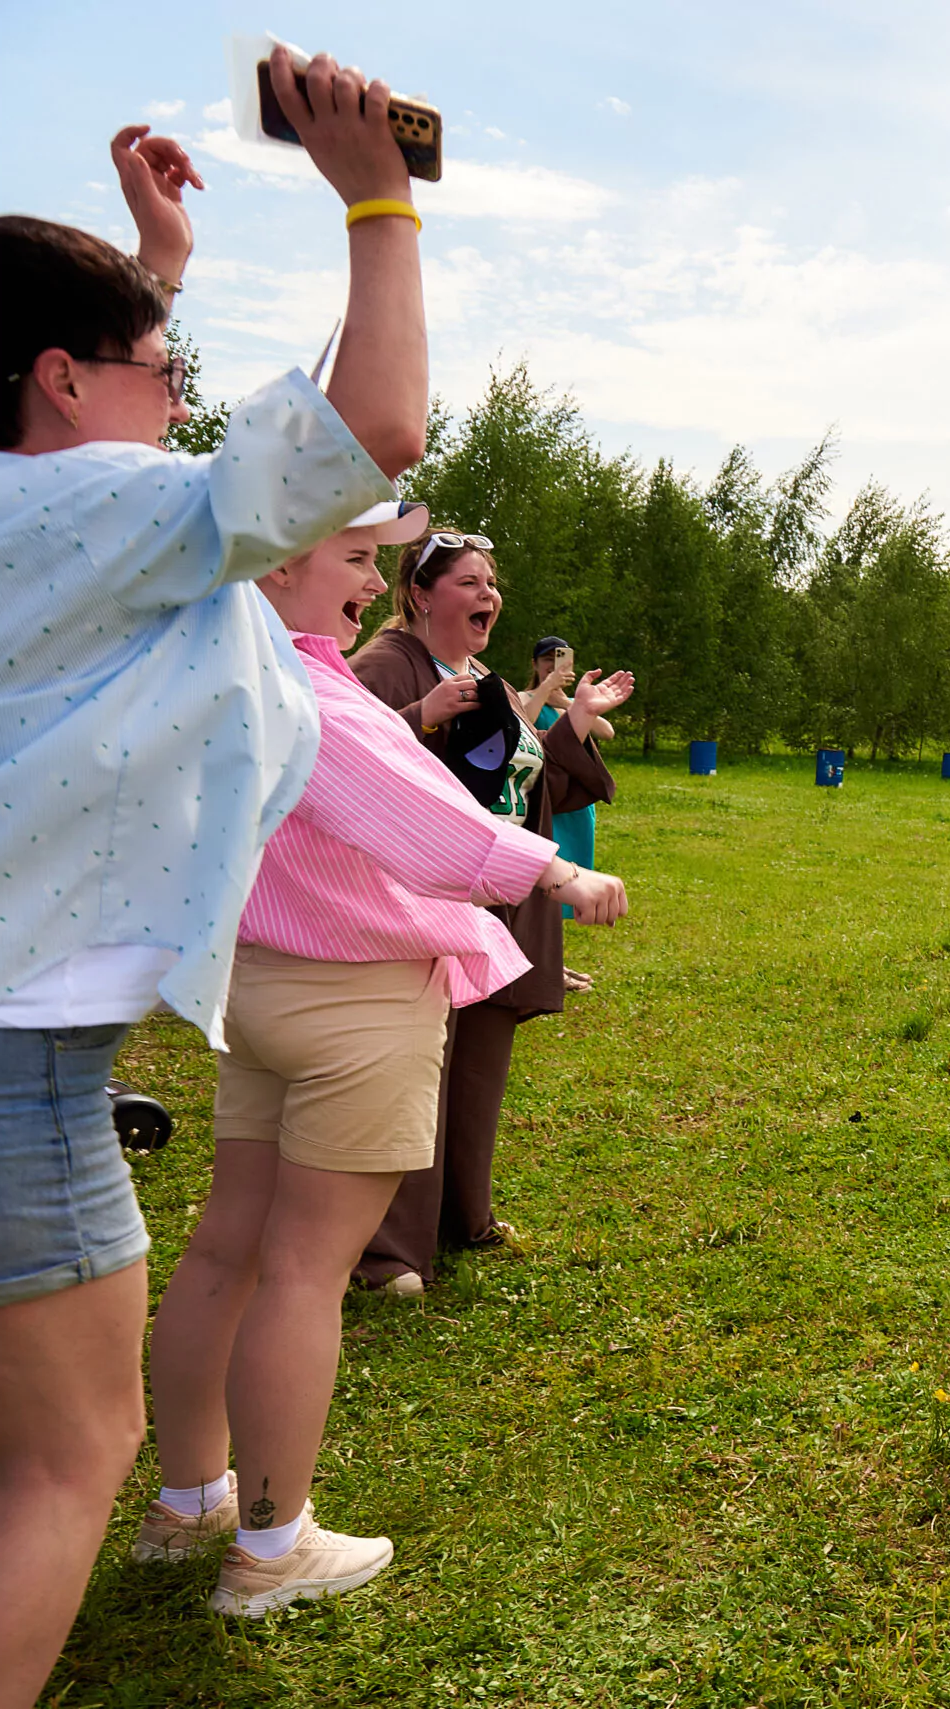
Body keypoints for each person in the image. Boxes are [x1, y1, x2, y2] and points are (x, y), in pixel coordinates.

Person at [0, 53, 427, 1706]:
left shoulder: (30, 500)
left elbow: (60, 435)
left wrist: (145, 275)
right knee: (57, 1461)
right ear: (54, 379)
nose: (181, 400)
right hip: (12, 1071)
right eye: (163, 367)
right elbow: (372, 429)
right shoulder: (108, 505)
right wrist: (375, 201)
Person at [138, 506, 628, 1614]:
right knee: (306, 1270)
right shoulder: (308, 687)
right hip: (353, 1001)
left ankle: (186, 1502)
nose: (374, 579)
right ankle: (269, 1552)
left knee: (228, 1249)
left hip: (257, 985)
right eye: (358, 559)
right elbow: (417, 819)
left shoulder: (221, 672)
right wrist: (559, 875)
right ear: (283, 564)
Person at [349, 538, 635, 1292]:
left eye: (493, 582)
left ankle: (460, 1220)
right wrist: (419, 714)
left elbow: (528, 774)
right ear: (419, 593)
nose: (489, 595)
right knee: (418, 1073)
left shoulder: (488, 679)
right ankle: (388, 1255)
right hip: (424, 902)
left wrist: (571, 722)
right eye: (469, 581)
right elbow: (342, 758)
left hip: (500, 899)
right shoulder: (387, 665)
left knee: (476, 1067)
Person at [528, 636, 609, 979]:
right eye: (546, 660)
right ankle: (544, 968)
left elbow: (606, 731)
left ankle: (553, 963)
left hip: (576, 805)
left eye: (559, 660)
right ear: (534, 664)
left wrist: (572, 704)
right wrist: (546, 690)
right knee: (545, 885)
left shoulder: (571, 703)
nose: (553, 666)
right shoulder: (523, 697)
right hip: (545, 801)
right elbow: (523, 723)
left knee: (567, 883)